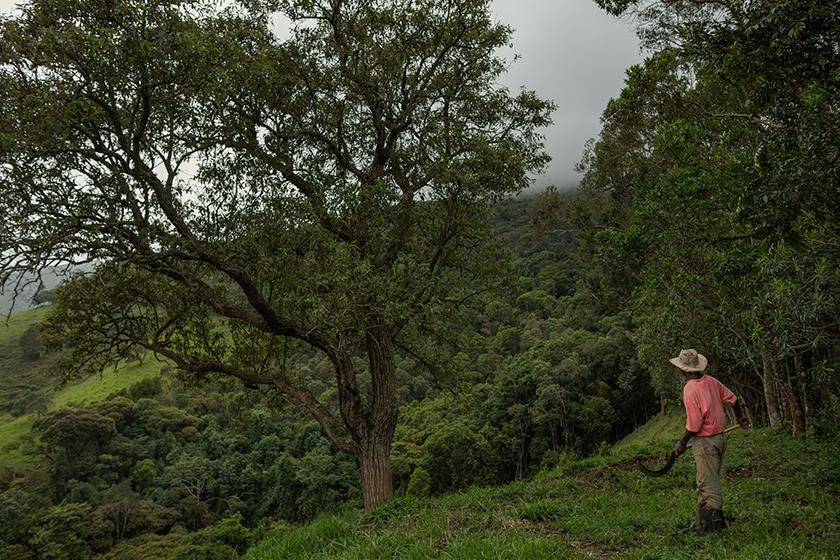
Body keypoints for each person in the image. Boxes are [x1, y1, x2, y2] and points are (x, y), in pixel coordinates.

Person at [670, 349, 749, 535]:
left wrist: (682, 442)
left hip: (705, 443)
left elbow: (695, 425)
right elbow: (733, 399)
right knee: (709, 480)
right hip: (720, 439)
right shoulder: (712, 381)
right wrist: (740, 417)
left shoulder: (690, 388)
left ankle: (712, 528)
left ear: (684, 370)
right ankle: (714, 523)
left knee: (707, 485)